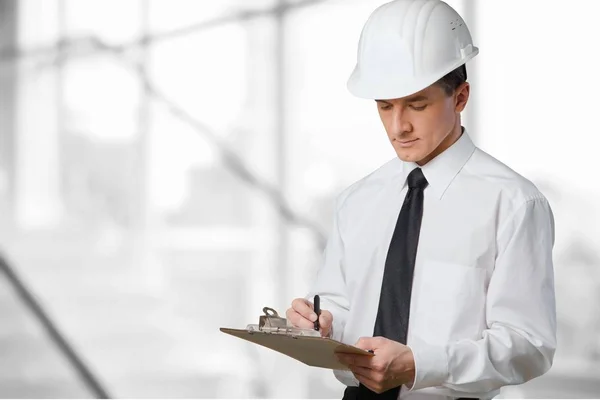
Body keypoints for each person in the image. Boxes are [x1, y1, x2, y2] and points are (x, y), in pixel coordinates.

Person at [285, 0, 556, 399]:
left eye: (417, 104)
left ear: (460, 97)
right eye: (385, 106)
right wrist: (318, 325)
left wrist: (420, 365)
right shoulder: (357, 202)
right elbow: (341, 310)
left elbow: (528, 345)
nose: (399, 126)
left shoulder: (513, 203)